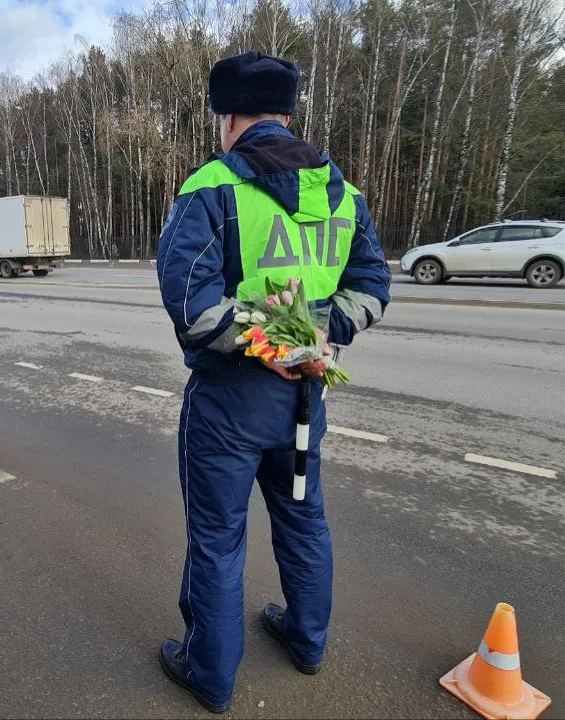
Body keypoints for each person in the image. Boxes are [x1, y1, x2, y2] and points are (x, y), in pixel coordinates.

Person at [156, 51, 392, 713]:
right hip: (300, 405)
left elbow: (193, 307)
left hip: (229, 410)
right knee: (302, 519)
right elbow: (372, 288)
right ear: (287, 114)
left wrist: (267, 341)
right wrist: (316, 336)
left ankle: (209, 674)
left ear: (229, 117)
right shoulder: (344, 194)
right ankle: (307, 641)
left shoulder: (210, 187)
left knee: (218, 539)